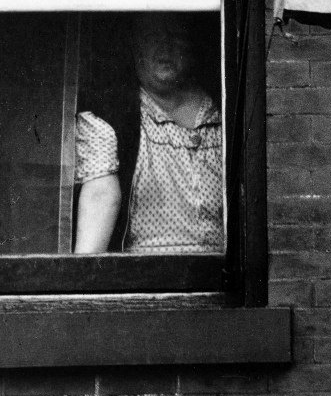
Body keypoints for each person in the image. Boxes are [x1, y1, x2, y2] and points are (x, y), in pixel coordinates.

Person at [73, 15, 223, 254]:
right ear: (135, 46)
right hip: (146, 278)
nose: (165, 45)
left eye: (175, 35)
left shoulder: (224, 114)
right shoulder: (112, 117)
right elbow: (100, 195)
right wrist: (82, 282)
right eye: (152, 35)